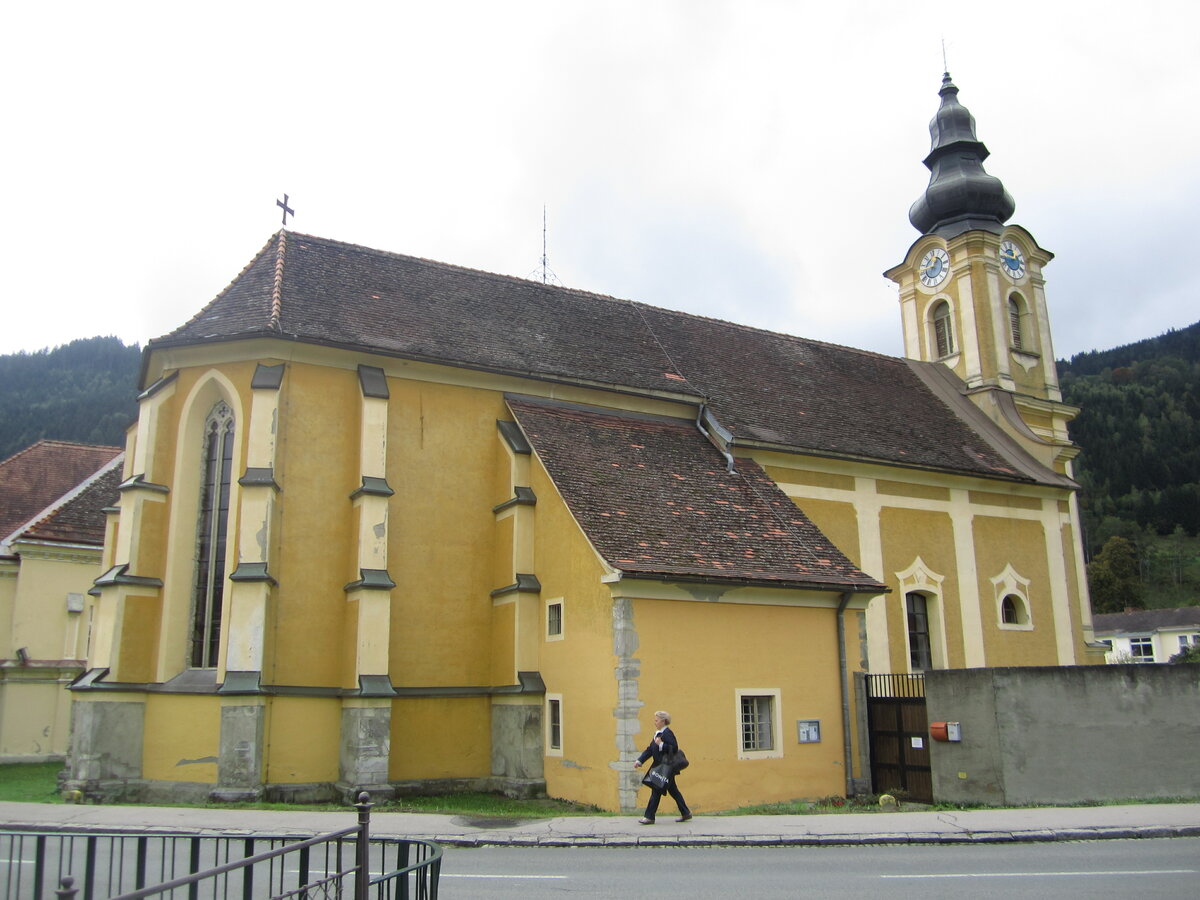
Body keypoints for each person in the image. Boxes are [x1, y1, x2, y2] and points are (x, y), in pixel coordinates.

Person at [633, 709, 691, 824]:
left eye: (657, 720)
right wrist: (640, 761)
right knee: (673, 790)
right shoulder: (658, 734)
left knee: (656, 790)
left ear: (663, 721)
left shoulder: (668, 733)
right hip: (661, 767)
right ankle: (686, 812)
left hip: (665, 768)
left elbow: (674, 747)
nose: (655, 722)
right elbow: (650, 750)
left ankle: (649, 817)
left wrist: (662, 744)